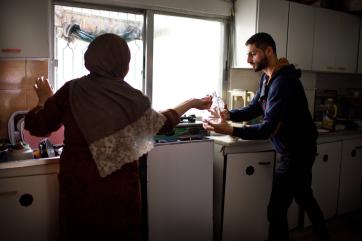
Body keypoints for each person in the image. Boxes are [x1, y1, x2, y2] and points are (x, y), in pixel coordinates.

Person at [24, 33, 212, 241]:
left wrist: (44, 100)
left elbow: (39, 127)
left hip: (79, 190)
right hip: (121, 194)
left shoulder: (71, 90)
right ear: (125, 65)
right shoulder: (133, 98)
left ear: (90, 58)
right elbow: (164, 123)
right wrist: (191, 102)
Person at [203, 32, 330, 241]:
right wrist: (229, 114)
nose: (248, 59)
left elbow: (267, 128)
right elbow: (256, 107)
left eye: (253, 53)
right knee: (304, 197)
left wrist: (230, 129)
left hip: (296, 153)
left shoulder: (284, 82)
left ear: (268, 51)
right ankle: (324, 236)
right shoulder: (268, 77)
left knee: (276, 210)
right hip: (297, 150)